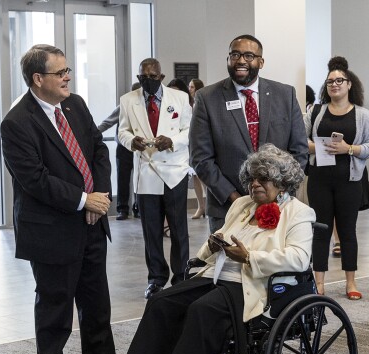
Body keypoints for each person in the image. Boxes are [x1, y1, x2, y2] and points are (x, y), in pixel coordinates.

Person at [88, 144, 315, 354]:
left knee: (202, 310)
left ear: (282, 181)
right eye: (252, 179)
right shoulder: (242, 205)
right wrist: (212, 244)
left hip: (253, 285)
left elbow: (299, 258)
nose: (255, 184)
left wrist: (249, 257)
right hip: (216, 275)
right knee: (161, 301)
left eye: (264, 178)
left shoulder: (299, 213)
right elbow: (213, 244)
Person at [0, 44, 117, 354]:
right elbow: (35, 180)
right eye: (61, 72)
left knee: (97, 307)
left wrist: (97, 196)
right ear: (38, 79)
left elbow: (99, 150)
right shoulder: (16, 122)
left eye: (68, 71)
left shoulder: (76, 105)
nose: (68, 77)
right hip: (52, 231)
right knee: (55, 312)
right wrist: (84, 200)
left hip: (92, 225)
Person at [190, 34, 309, 234]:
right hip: (227, 207)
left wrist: (277, 193)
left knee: (275, 263)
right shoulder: (207, 98)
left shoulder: (285, 95)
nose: (241, 61)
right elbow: (201, 158)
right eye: (235, 55)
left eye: (249, 55)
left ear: (260, 62)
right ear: (228, 60)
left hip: (279, 205)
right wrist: (237, 199)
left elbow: (299, 151)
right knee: (229, 264)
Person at [304, 56, 369, 300]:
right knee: (321, 230)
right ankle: (319, 282)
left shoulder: (363, 115)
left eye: (339, 80)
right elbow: (298, 140)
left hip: (350, 181)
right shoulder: (315, 112)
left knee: (347, 231)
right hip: (319, 179)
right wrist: (318, 147)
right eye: (329, 82)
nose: (334, 84)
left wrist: (349, 148)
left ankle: (351, 281)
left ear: (349, 84)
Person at [118, 58, 192, 299]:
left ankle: (181, 276)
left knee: (179, 228)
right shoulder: (128, 100)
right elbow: (122, 131)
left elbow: (189, 130)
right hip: (147, 171)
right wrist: (132, 142)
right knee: (151, 231)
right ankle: (156, 278)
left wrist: (172, 141)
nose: (147, 81)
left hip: (174, 171)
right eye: (142, 77)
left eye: (152, 77)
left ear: (161, 77)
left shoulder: (179, 98)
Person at [98, 82, 142, 221]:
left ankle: (138, 208)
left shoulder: (147, 107)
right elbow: (108, 122)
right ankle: (122, 209)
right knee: (122, 179)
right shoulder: (124, 106)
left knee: (140, 180)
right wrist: (92, 133)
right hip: (124, 148)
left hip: (140, 148)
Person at [187, 78, 208, 219]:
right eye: (189, 87)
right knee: (194, 176)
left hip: (201, 144)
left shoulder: (203, 103)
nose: (190, 90)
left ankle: (208, 205)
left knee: (204, 177)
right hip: (190, 144)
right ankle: (200, 206)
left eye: (192, 87)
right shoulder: (188, 104)